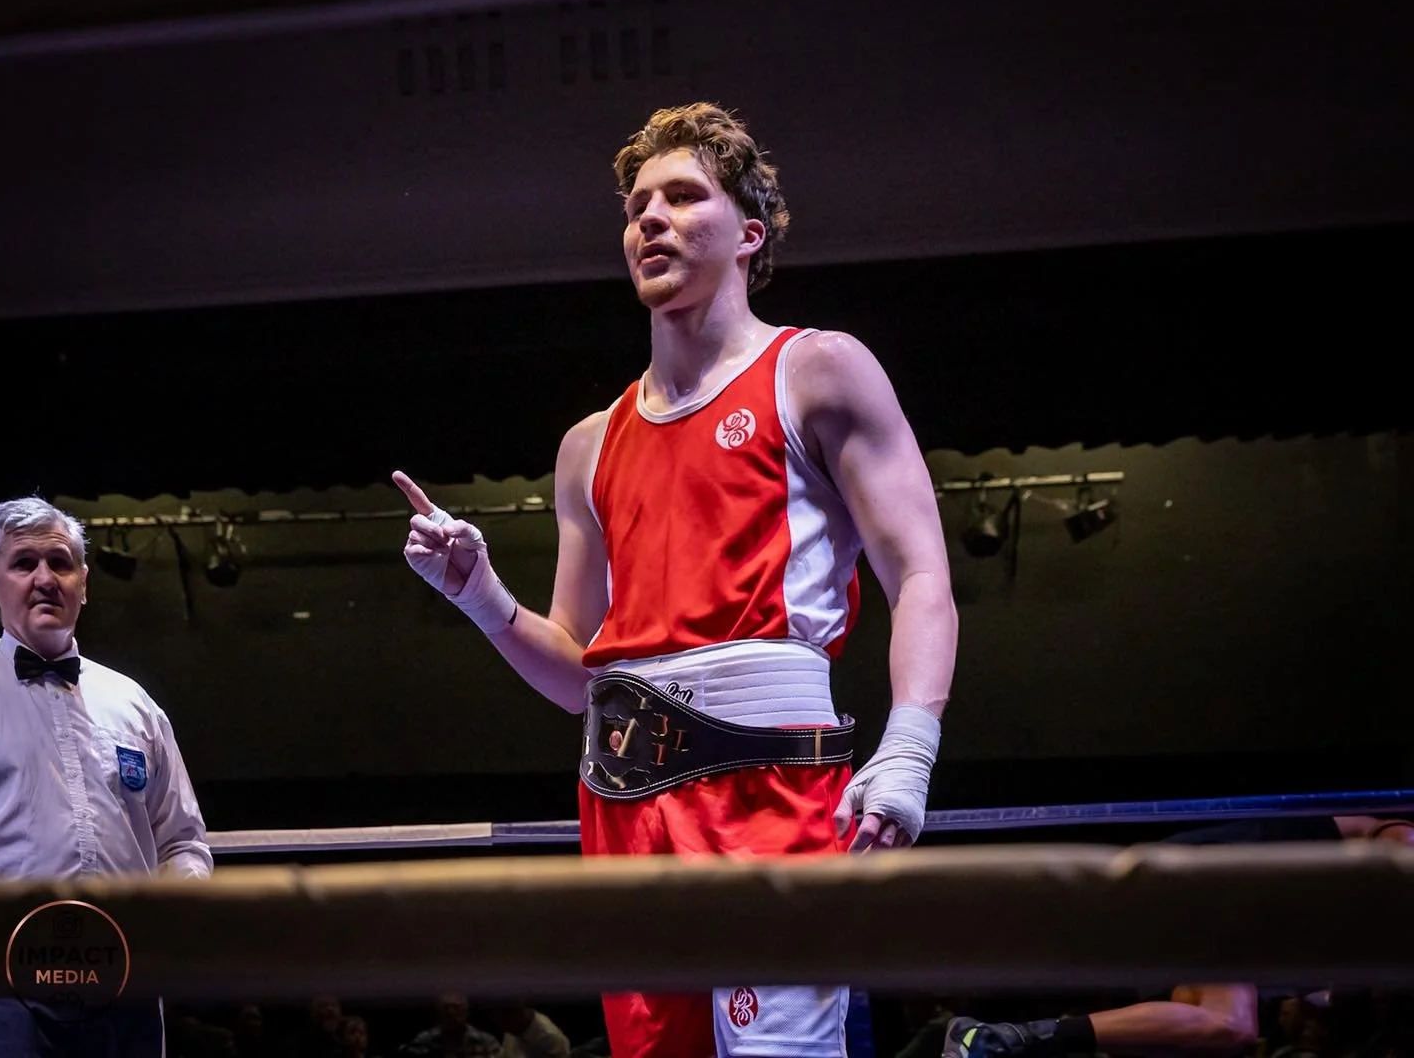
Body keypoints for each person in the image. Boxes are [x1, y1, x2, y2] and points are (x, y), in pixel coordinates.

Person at [395, 100, 957, 1058]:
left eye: (682, 196)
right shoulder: (588, 446)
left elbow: (922, 577)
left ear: (749, 233)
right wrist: (481, 597)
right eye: (636, 205)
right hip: (622, 808)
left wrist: (909, 745)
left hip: (768, 791)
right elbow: (581, 673)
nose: (648, 218)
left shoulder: (817, 372)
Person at [0, 495, 212, 1056]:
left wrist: (170, 917)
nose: (43, 578)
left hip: (126, 979)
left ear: (84, 580)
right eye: (23, 563)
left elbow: (182, 842)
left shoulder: (133, 704)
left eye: (59, 563)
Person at [940, 813, 1414, 1058]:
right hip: (1209, 883)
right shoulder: (1394, 847)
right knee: (1230, 1023)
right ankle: (1005, 1040)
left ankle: (994, 1039)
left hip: (1215, 908)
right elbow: (1393, 855)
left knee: (1202, 1028)